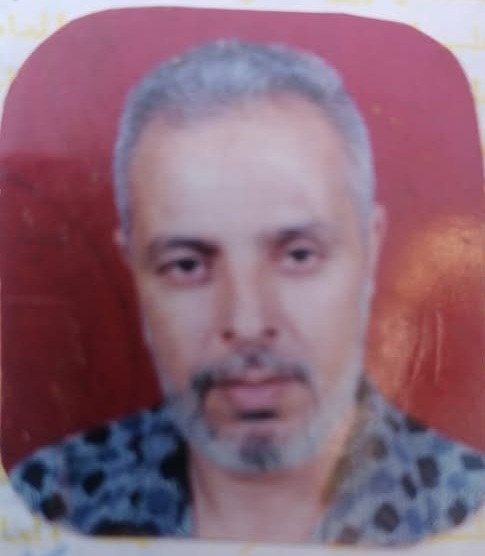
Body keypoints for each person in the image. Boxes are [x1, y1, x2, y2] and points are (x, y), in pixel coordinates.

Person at [8, 39, 485, 546]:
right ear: (134, 272)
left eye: (298, 255)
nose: (248, 323)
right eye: (187, 265)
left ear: (370, 251)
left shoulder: (462, 504)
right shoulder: (49, 495)